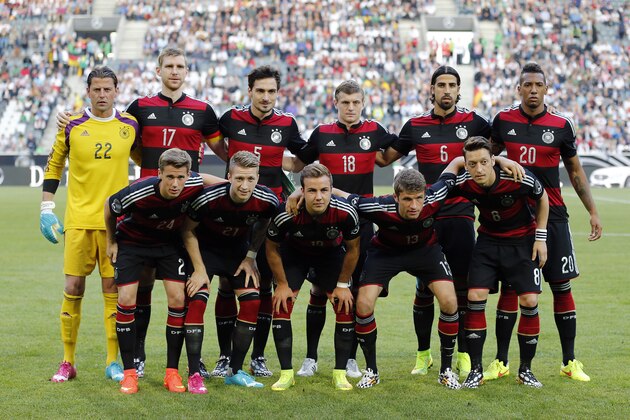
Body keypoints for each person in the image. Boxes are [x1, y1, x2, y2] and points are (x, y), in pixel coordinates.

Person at [57, 47, 226, 380]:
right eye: (169, 66)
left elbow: (225, 149)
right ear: (158, 70)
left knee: (190, 286)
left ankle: (194, 361)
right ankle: (139, 356)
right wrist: (70, 117)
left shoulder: (204, 111)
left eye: (180, 66)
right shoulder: (139, 109)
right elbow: (116, 137)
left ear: (187, 71)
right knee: (142, 285)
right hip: (146, 211)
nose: (175, 71)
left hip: (187, 208)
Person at [488, 62, 602, 382]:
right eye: (528, 85)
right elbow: (485, 158)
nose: (534, 90)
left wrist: (592, 211)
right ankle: (501, 361)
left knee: (561, 285)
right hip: (513, 219)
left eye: (539, 84)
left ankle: (570, 361)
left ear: (547, 88)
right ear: (519, 88)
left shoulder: (562, 125)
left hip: (554, 218)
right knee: (513, 289)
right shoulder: (503, 121)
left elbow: (576, 172)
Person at [378, 65, 492, 379]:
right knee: (423, 287)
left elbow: (494, 155)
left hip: (459, 215)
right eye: (440, 84)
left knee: (464, 288)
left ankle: (465, 355)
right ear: (431, 89)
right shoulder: (415, 125)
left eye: (451, 85)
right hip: (426, 216)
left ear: (459, 90)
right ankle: (423, 354)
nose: (446, 90)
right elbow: (383, 158)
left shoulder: (476, 123)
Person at [287, 79, 398, 379]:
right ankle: (310, 357)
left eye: (356, 102)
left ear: (363, 103)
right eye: (345, 102)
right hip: (323, 224)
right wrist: (267, 159)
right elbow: (300, 164)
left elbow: (394, 152)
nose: (350, 108)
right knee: (318, 291)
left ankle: (349, 358)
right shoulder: (322, 133)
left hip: (360, 225)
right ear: (335, 103)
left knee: (353, 291)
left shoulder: (375, 131)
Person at [207, 65, 310, 379]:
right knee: (228, 282)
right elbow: (215, 144)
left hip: (271, 215)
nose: (266, 97)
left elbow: (303, 157)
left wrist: (279, 161)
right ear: (249, 91)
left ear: (277, 93)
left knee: (265, 284)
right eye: (260, 91)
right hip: (235, 212)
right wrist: (232, 163)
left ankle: (259, 357)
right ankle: (225, 356)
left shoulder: (286, 123)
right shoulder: (231, 118)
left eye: (271, 91)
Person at [41, 66, 139, 383]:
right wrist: (46, 207)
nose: (101, 95)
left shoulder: (129, 125)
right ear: (88, 91)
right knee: (73, 288)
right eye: (96, 89)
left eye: (107, 89)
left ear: (116, 91)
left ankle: (112, 361)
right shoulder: (71, 125)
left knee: (112, 290)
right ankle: (67, 361)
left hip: (116, 225)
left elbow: (145, 159)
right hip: (79, 221)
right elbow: (54, 163)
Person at [339, 163, 464, 390]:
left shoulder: (436, 195)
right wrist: (300, 191)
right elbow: (347, 196)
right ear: (396, 197)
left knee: (449, 301)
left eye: (418, 198)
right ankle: (372, 371)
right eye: (407, 199)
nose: (414, 205)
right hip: (386, 253)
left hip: (425, 251)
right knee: (364, 304)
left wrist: (502, 161)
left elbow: (455, 165)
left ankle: (446, 370)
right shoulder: (379, 206)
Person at [449, 137, 549, 389]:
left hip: (521, 243)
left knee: (529, 301)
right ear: (466, 165)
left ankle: (525, 370)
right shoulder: (464, 183)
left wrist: (541, 237)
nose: (479, 169)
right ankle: (476, 370)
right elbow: (443, 181)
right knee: (475, 295)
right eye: (472, 164)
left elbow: (542, 197)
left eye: (484, 162)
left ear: (493, 161)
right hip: (488, 242)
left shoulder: (517, 177)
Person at [105, 148, 207, 394]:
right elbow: (110, 207)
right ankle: (129, 374)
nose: (175, 183)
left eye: (181, 177)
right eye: (170, 176)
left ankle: (171, 372)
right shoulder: (138, 192)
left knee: (178, 298)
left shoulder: (193, 182)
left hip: (168, 245)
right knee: (126, 299)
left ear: (188, 174)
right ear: (159, 173)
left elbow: (216, 182)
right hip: (132, 243)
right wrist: (111, 241)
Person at [181, 151, 279, 389]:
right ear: (229, 176)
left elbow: (265, 222)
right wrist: (199, 269)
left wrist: (251, 256)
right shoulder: (207, 198)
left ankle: (235, 371)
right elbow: (186, 230)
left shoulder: (267, 200)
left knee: (253, 301)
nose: (245, 186)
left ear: (257, 178)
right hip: (205, 251)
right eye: (239, 179)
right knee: (197, 299)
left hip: (237, 252)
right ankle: (195, 373)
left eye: (250, 179)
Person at [266, 163, 361, 391]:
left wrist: (342, 284)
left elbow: (353, 249)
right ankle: (287, 374)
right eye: (312, 191)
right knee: (281, 304)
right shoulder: (286, 212)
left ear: (331, 189)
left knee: (345, 304)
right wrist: (281, 284)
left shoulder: (345, 212)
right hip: (295, 255)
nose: (319, 197)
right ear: (302, 191)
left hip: (329, 256)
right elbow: (271, 248)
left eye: (324, 190)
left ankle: (339, 373)